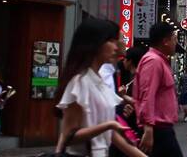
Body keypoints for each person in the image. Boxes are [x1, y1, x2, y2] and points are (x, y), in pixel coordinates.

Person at [55, 18, 145, 157]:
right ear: (94, 44)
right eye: (110, 41)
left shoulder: (99, 81)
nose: (116, 47)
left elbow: (112, 135)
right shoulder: (80, 82)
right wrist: (108, 125)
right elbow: (69, 136)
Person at [133, 23, 182, 157]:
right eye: (174, 38)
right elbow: (147, 95)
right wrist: (148, 128)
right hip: (157, 129)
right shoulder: (153, 61)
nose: (175, 42)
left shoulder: (159, 60)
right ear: (165, 41)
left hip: (161, 129)